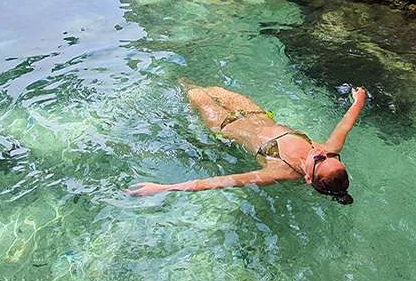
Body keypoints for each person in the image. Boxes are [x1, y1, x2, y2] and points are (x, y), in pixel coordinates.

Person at [127, 82, 367, 204]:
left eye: (319, 159)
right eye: (331, 155)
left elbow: (219, 182)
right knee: (207, 87)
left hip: (223, 124)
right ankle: (180, 79)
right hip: (253, 112)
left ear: (307, 178)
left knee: (194, 94)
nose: (321, 151)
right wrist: (359, 99)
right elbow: (345, 124)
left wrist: (162, 188)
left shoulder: (279, 172)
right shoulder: (328, 151)